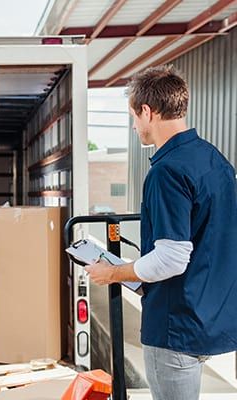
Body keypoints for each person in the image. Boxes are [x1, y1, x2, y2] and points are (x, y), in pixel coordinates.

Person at [85, 65, 237, 400]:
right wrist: (138, 279)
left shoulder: (167, 171)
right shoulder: (215, 160)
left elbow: (171, 258)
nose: (135, 126)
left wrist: (112, 273)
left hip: (175, 329)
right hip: (210, 319)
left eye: (134, 117)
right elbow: (208, 242)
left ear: (147, 111)